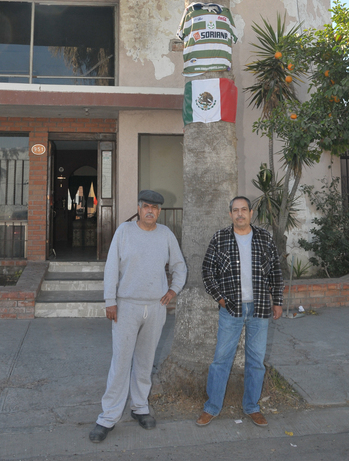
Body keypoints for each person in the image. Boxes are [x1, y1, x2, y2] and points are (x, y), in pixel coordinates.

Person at [89, 189, 187, 443]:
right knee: (121, 362)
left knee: (145, 361)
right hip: (127, 306)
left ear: (159, 211)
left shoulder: (166, 235)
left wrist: (173, 290)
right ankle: (108, 416)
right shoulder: (124, 232)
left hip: (155, 307)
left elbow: (179, 266)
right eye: (146, 206)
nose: (150, 211)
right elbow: (111, 267)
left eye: (154, 208)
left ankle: (140, 407)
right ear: (139, 208)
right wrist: (110, 301)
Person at [196, 196, 283, 428]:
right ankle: (212, 407)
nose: (240, 214)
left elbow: (275, 271)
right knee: (221, 360)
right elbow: (207, 271)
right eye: (236, 210)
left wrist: (277, 302)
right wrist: (220, 299)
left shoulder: (264, 237)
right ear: (230, 214)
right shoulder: (220, 238)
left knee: (256, 361)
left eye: (244, 209)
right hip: (231, 309)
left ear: (251, 213)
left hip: (259, 308)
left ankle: (252, 407)